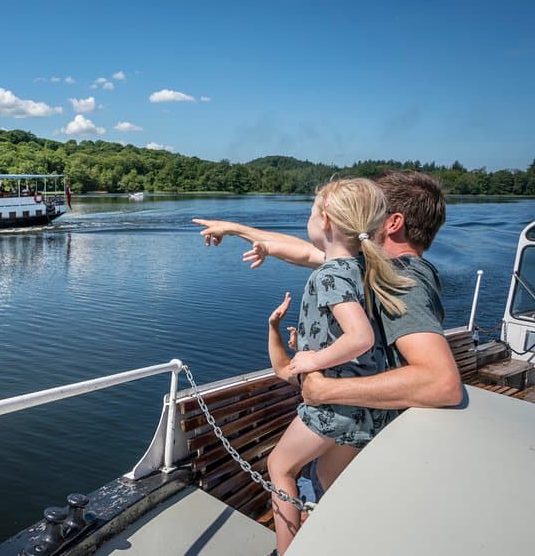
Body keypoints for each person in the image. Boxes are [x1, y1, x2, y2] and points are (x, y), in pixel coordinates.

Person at [193, 172, 462, 485]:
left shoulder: (405, 281)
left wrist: (326, 389)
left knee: (287, 469)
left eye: (371, 210)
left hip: (375, 432)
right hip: (365, 428)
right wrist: (236, 229)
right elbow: (307, 251)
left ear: (392, 223)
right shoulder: (368, 266)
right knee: (323, 478)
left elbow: (442, 382)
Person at [254, 179, 412, 554]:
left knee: (280, 466)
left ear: (325, 221)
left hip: (333, 406)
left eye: (310, 212)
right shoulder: (363, 267)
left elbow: (360, 337)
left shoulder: (329, 274)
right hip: (361, 407)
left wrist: (314, 358)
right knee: (328, 479)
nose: (308, 219)